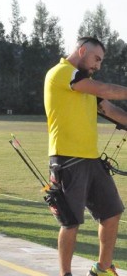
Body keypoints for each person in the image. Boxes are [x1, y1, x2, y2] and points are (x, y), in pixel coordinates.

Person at [44, 37, 126, 276]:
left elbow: (110, 109)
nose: (98, 65)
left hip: (91, 160)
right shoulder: (61, 73)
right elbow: (104, 89)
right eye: (96, 59)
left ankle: (102, 269)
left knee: (112, 212)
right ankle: (66, 274)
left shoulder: (86, 86)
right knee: (71, 222)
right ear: (81, 51)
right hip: (67, 160)